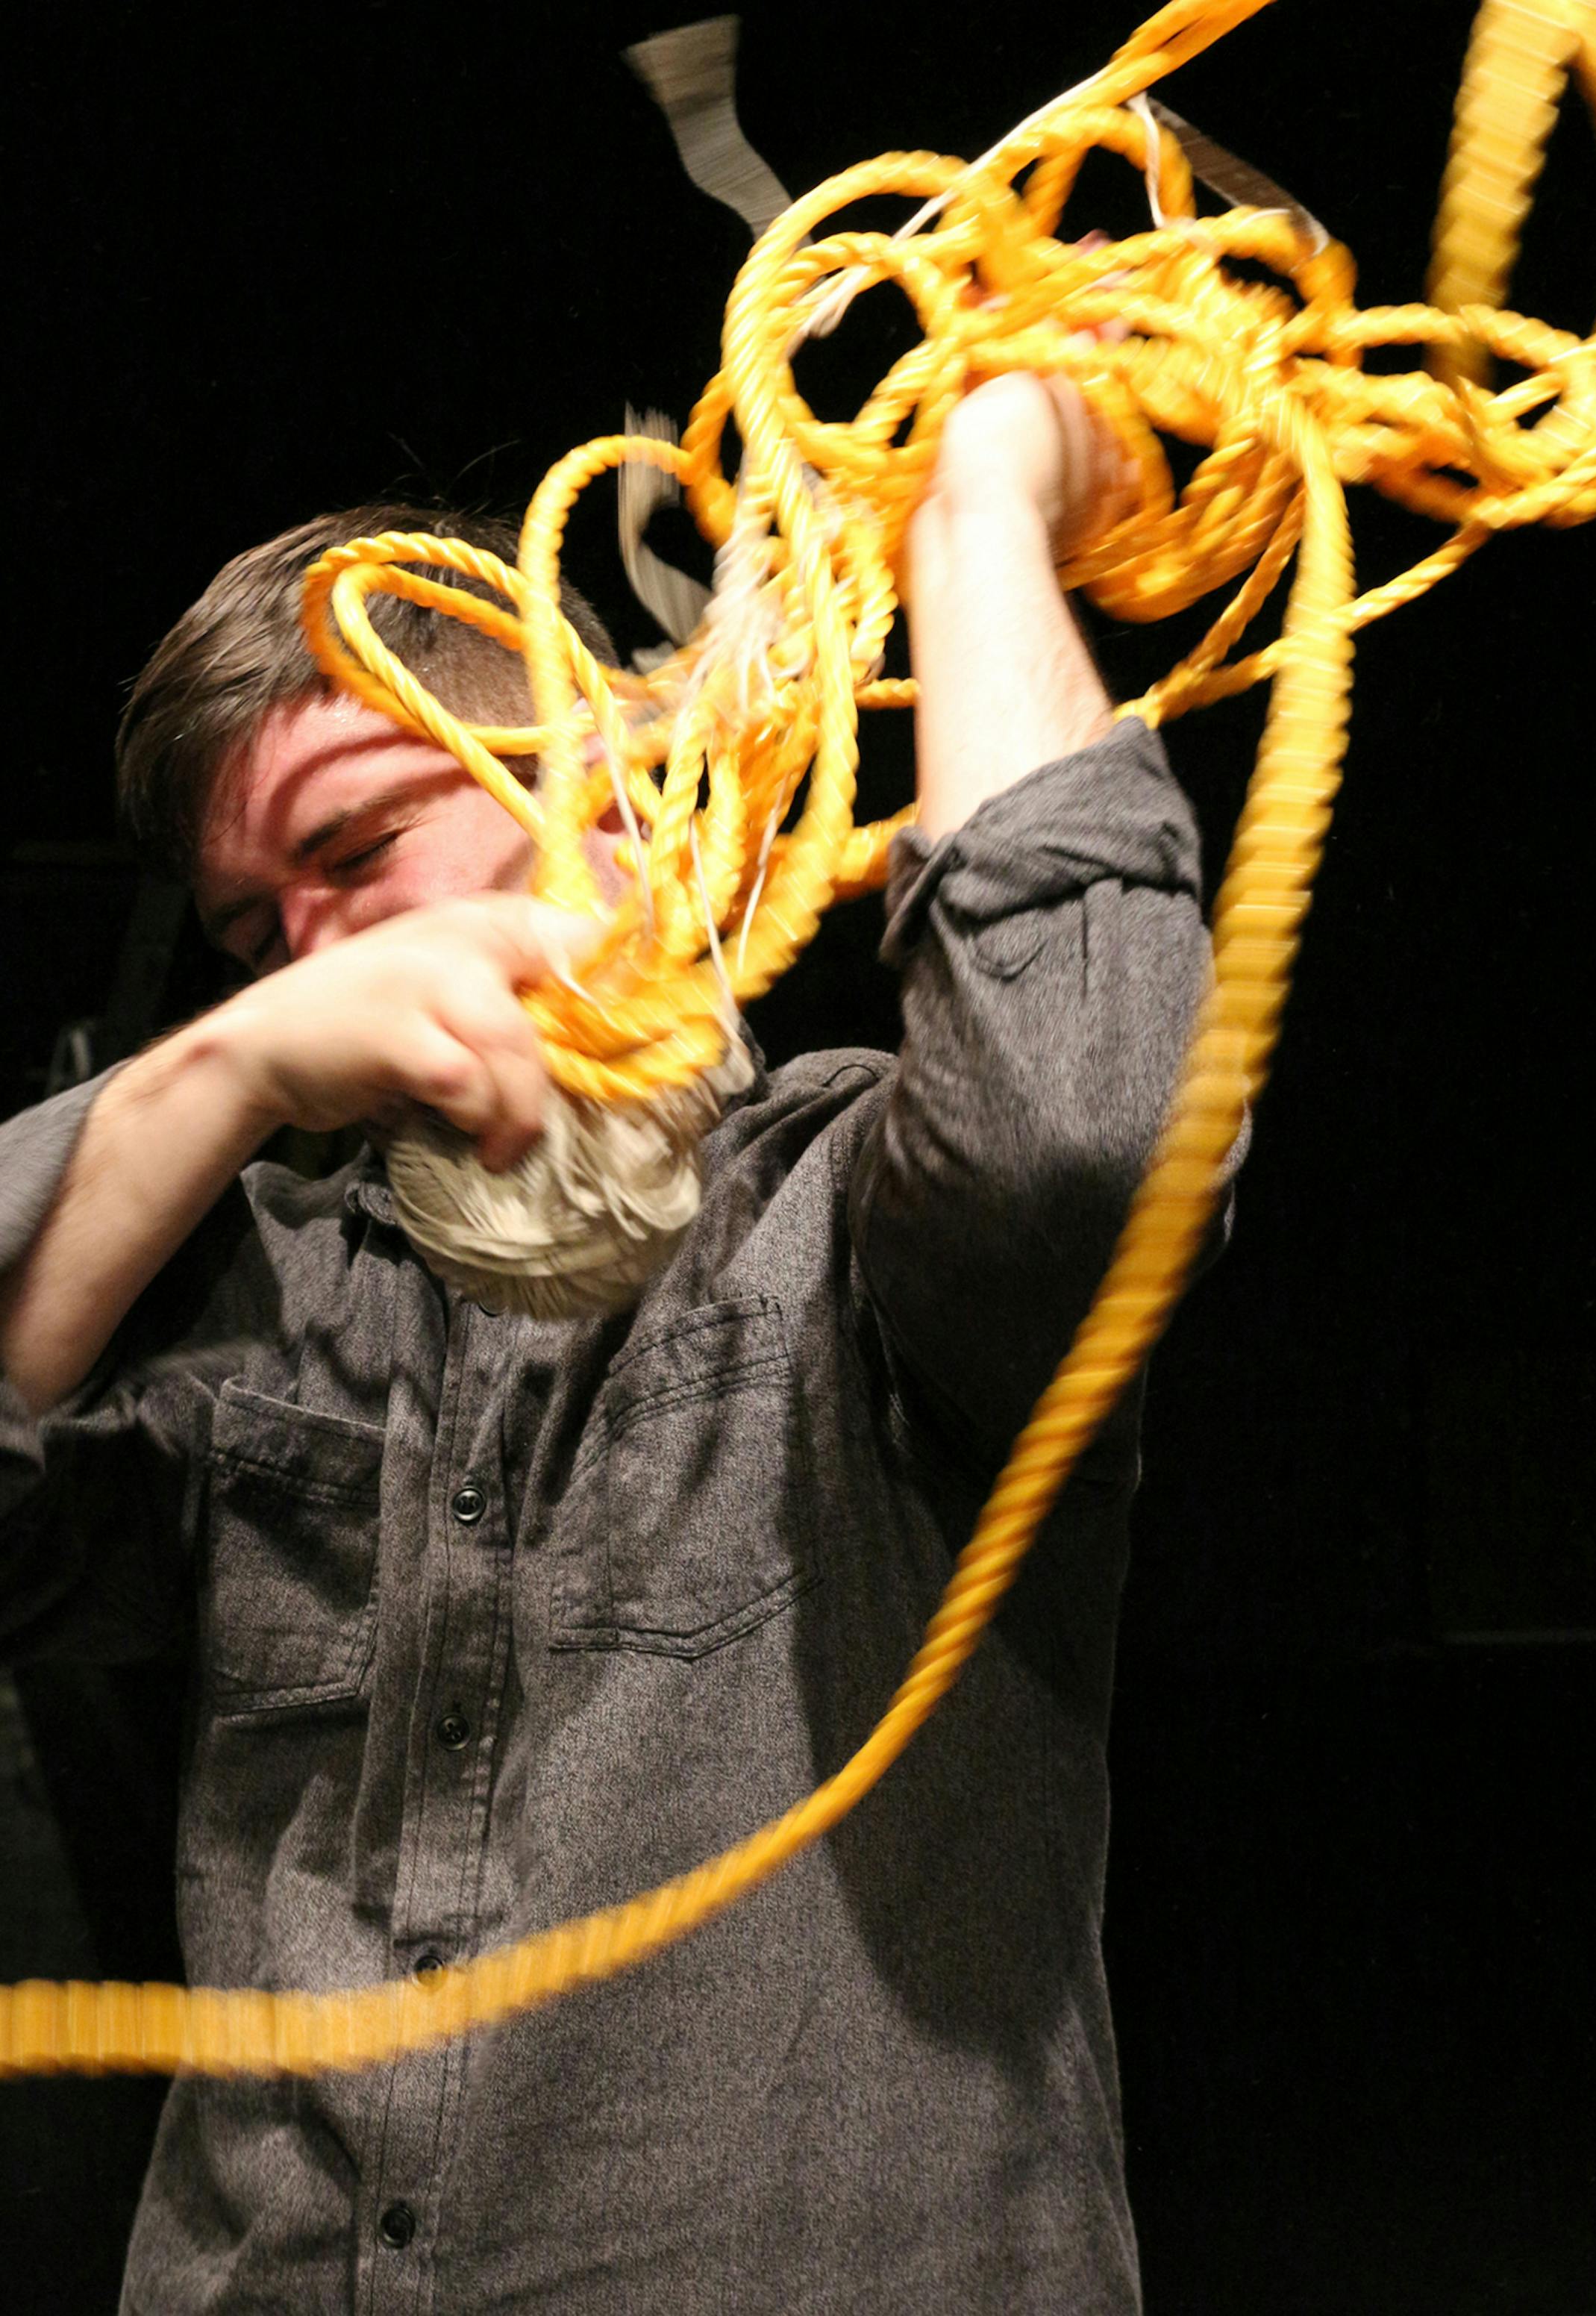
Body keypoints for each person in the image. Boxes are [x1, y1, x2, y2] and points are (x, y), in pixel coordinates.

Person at [1, 372, 1213, 2314]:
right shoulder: (262, 1310)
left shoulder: (844, 1226)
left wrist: (975, 509)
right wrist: (201, 1086)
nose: (320, 957)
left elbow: (1076, 1128)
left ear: (610, 788)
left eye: (364, 847)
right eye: (254, 932)